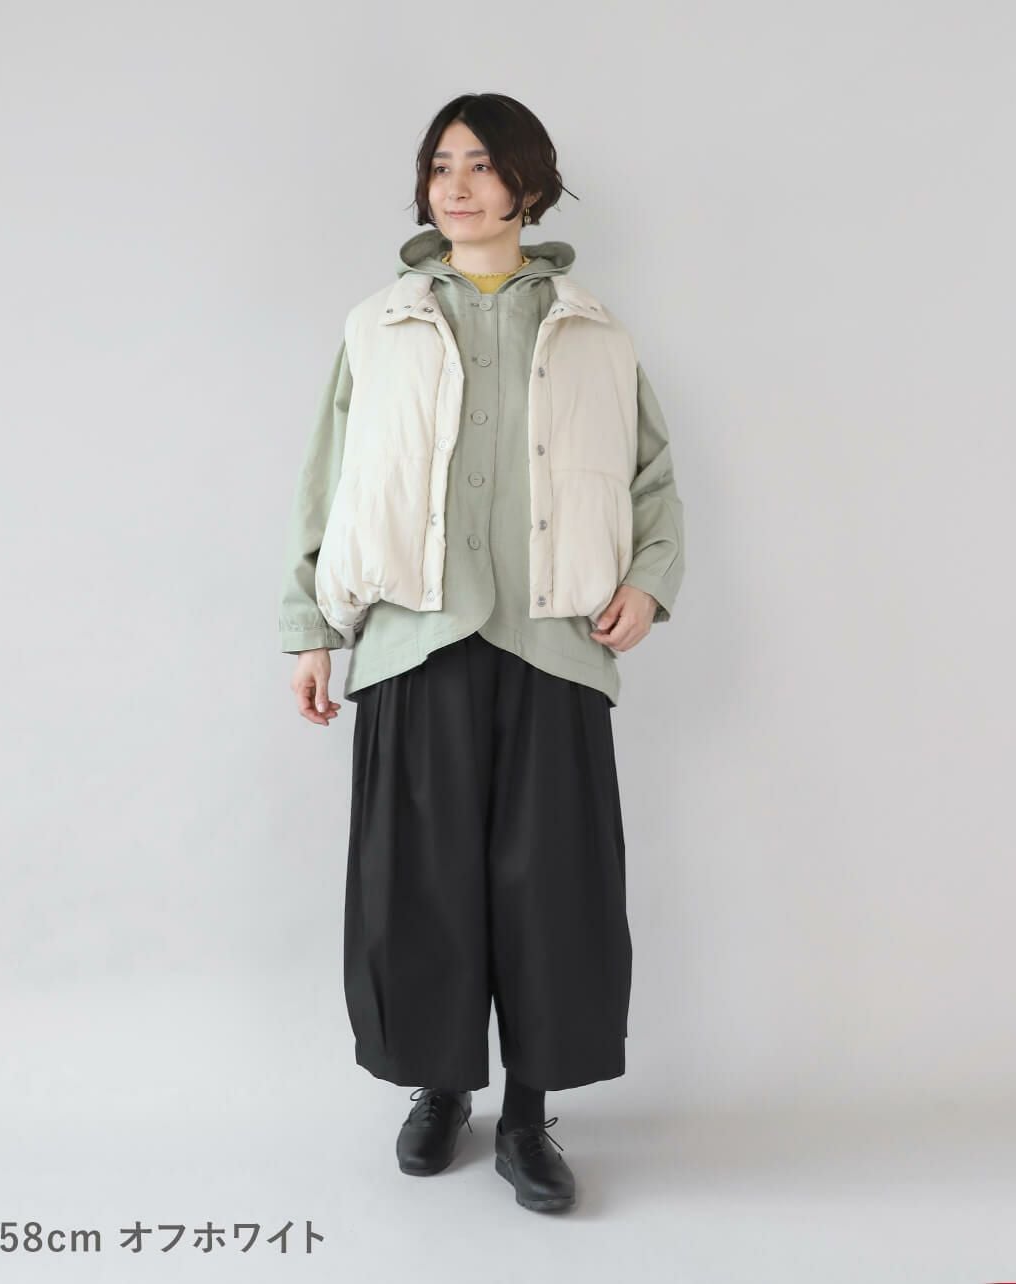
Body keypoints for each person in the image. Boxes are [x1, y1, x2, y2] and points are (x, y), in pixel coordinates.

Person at [277, 92, 685, 1214]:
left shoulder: (595, 330)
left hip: (554, 643)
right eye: (440, 165)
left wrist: (649, 581)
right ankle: (440, 1086)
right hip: (415, 640)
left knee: (552, 891)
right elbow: (329, 480)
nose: (455, 185)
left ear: (529, 186)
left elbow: (652, 476)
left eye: (481, 164)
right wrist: (311, 629)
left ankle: (528, 1114)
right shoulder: (380, 325)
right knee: (419, 886)